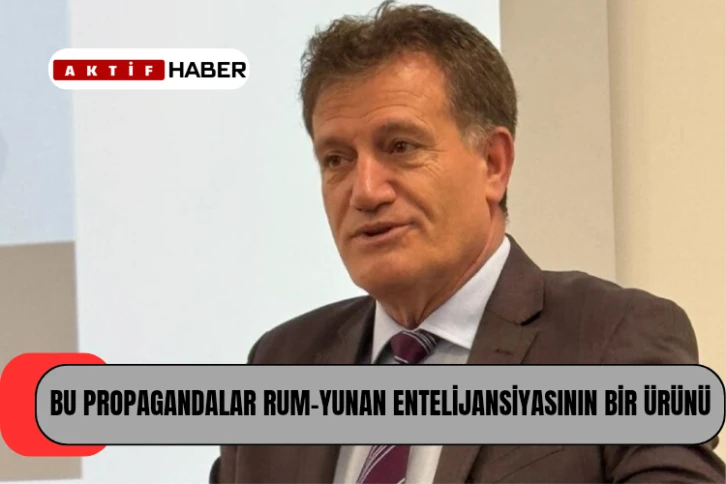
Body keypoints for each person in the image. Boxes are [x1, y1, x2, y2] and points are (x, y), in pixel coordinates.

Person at [210, 1, 725, 482]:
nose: (364, 191)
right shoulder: (281, 363)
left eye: (400, 146)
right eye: (336, 159)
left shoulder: (612, 341)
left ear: (493, 164)